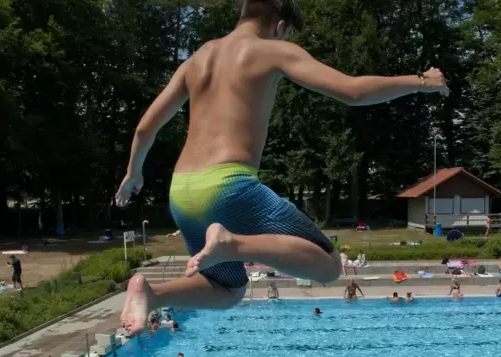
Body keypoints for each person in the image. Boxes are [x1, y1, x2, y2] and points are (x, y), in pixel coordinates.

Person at [114, 0, 449, 334]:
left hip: (182, 191)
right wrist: (423, 80)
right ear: (279, 25)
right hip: (228, 186)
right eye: (288, 34)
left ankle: (151, 294)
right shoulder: (270, 51)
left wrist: (134, 173)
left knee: (229, 290)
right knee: (329, 266)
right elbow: (353, 91)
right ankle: (233, 244)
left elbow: (146, 128)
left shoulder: (198, 58)